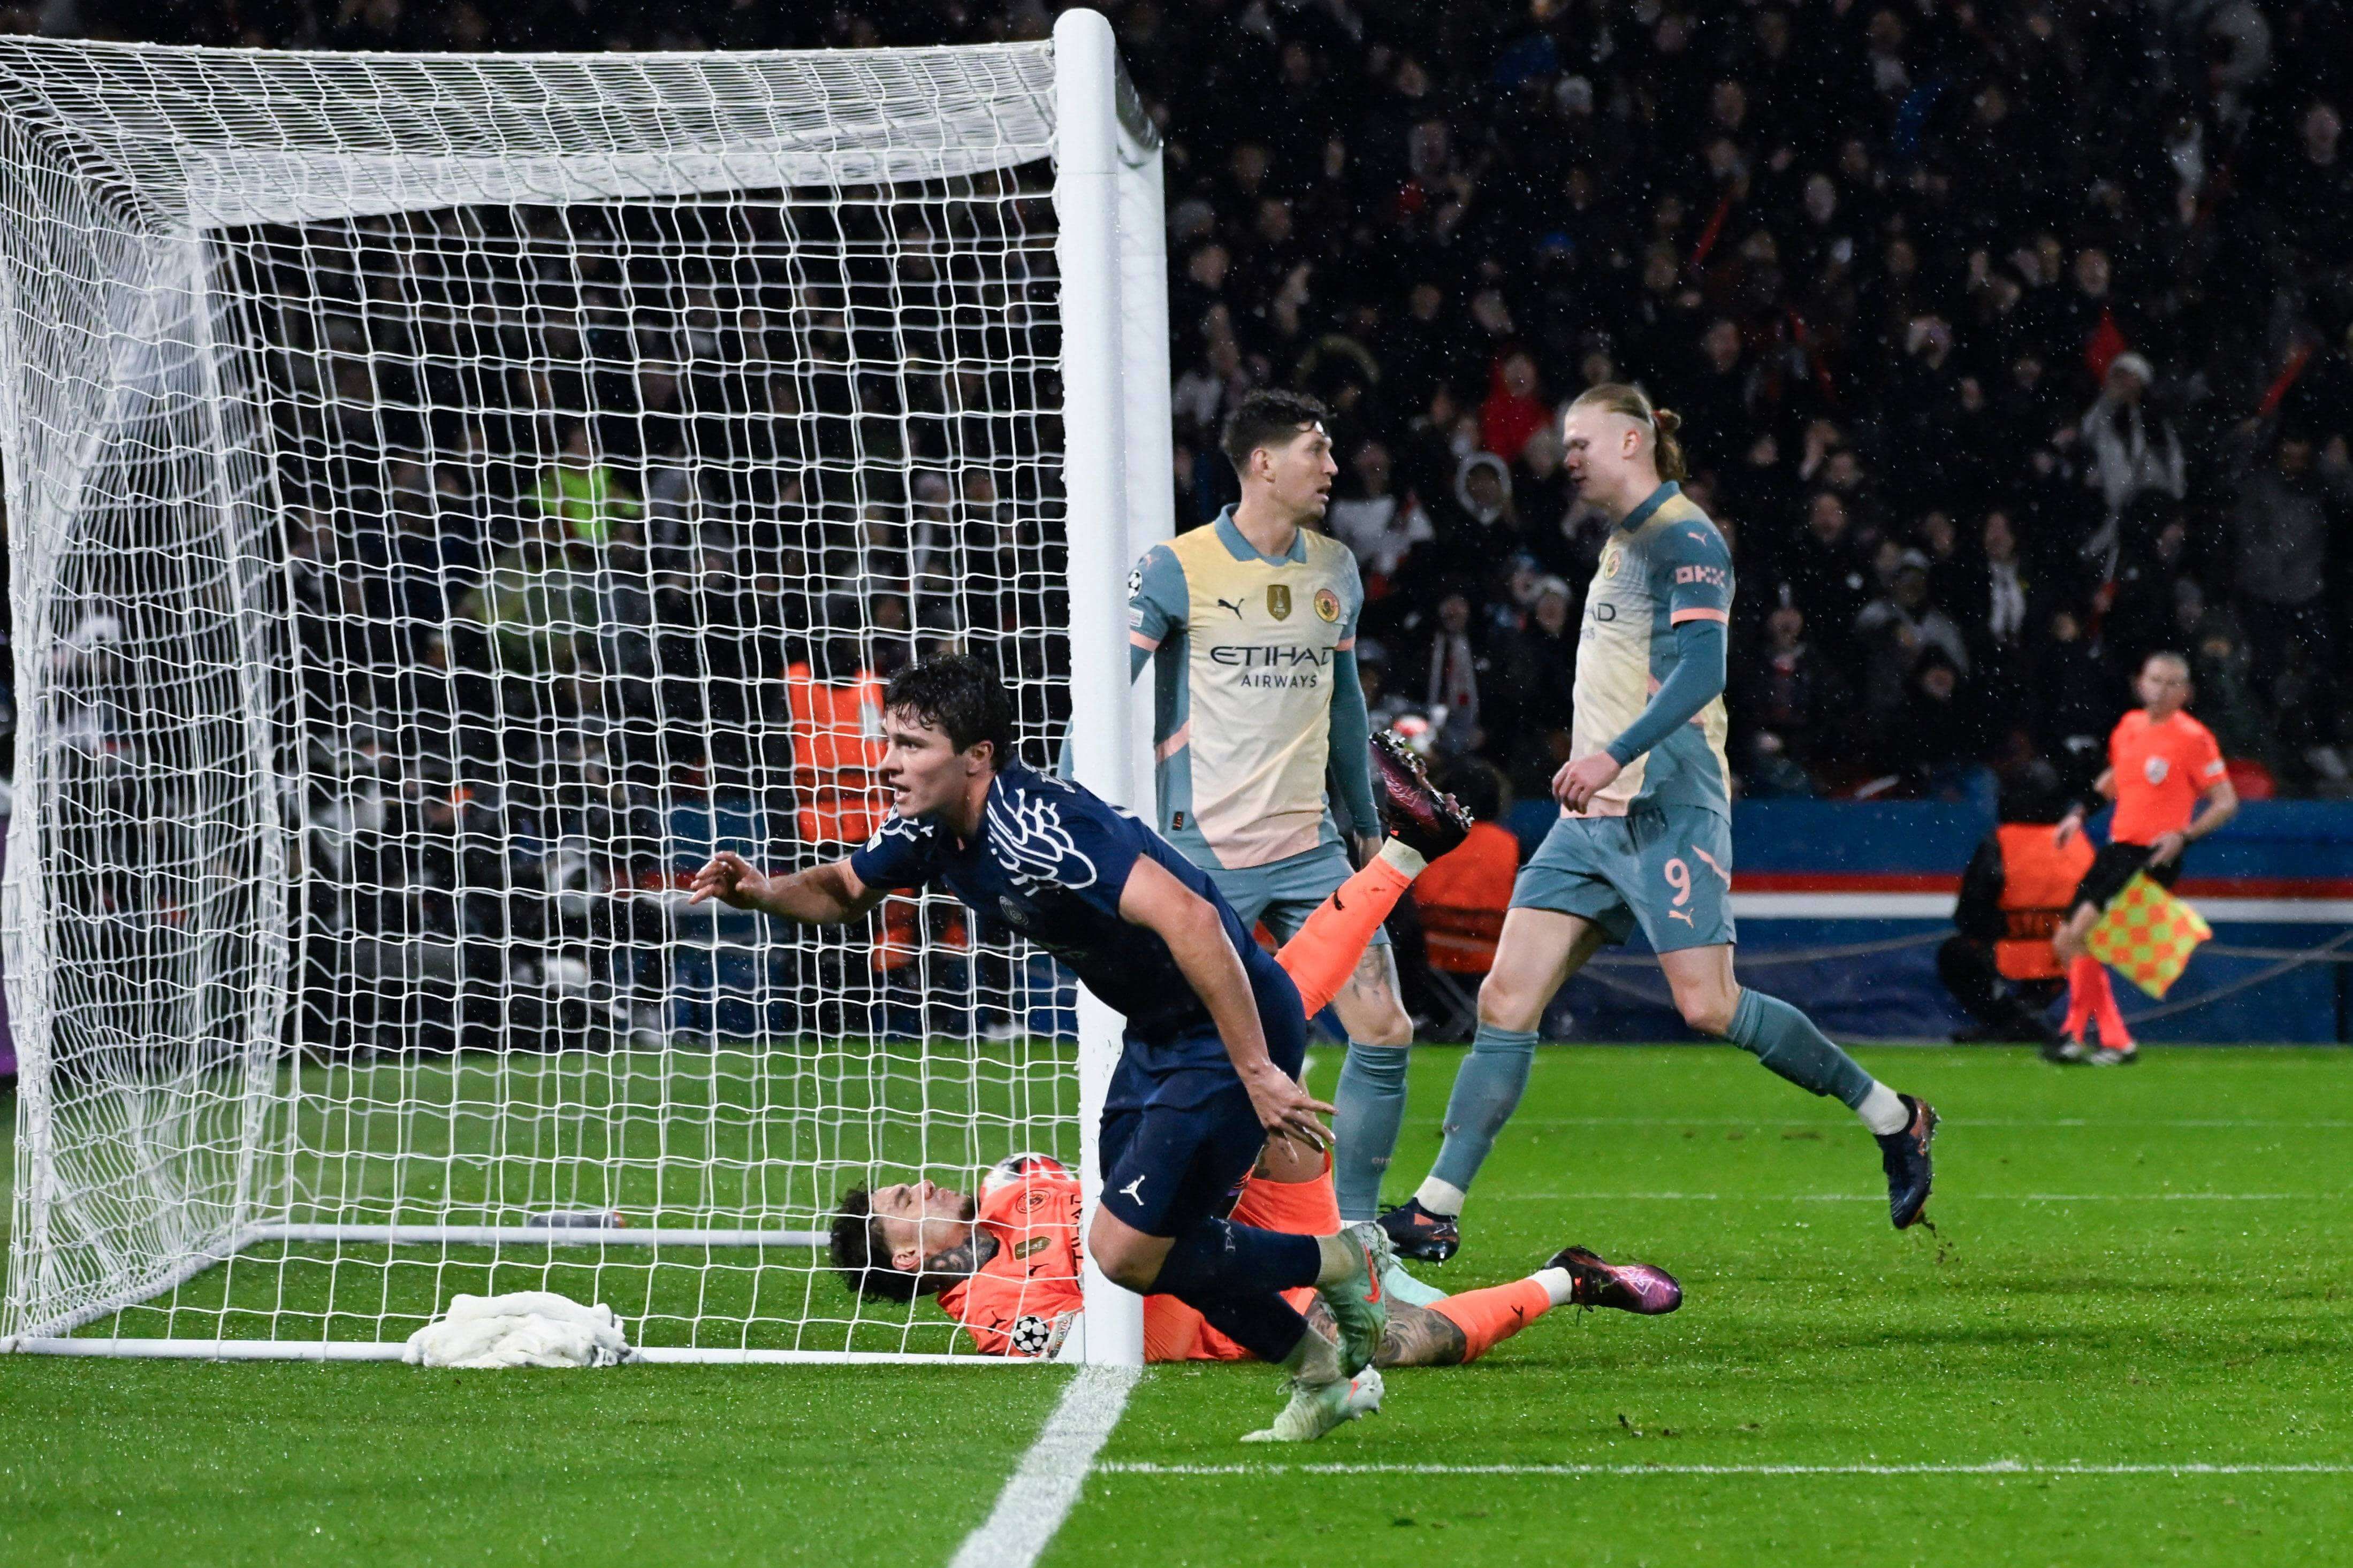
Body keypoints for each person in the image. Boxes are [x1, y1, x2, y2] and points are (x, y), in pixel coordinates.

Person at [691, 656, 1408, 1443]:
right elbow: (842, 889)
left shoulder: (1042, 828)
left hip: (1219, 1026)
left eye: (911, 744)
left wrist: (1257, 1070)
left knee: (1124, 1251)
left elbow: (1196, 921)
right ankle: (1322, 1372)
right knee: (1156, 1246)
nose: (889, 761)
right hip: (1158, 1034)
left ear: (978, 756)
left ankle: (1340, 1261)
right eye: (889, 739)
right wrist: (761, 889)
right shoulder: (929, 828)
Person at [1373, 385, 1941, 1266]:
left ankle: (1894, 1118)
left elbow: (1699, 674)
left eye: (1580, 440)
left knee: (1707, 1006)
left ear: (1632, 441)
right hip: (1589, 820)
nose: (1565, 455)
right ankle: (1435, 1209)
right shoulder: (1623, 539)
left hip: (1667, 801)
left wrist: (1608, 754)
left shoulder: (1686, 540)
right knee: (1503, 997)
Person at [1124, 390, 1430, 1257]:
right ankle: (1168, 1215)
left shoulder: (1335, 568)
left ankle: (1359, 1228)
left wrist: (1364, 816)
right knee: (1192, 1048)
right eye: (1316, 450)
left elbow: (1345, 705)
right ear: (1262, 462)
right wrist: (1078, 806)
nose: (1333, 468)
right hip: (1200, 855)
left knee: (1384, 1026)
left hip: (1311, 851)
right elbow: (1109, 689)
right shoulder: (1176, 568)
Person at [833, 1139, 1678, 1373]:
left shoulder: (1016, 1181)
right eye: (904, 1204)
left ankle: (1375, 1237)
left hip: (1244, 1221)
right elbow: (1096, 1334)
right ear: (908, 1260)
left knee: (1275, 1118)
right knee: (1402, 1344)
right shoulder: (990, 1320)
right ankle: (1570, 1277)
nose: (920, 1185)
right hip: (1240, 1310)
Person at [2048, 652, 2240, 1064]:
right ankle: (2117, 1039)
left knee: (2083, 931)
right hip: (2117, 848)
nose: (2161, 689)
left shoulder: (2193, 737)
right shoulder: (2129, 727)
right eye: (2155, 680)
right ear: (2140, 683)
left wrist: (2183, 835)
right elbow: (2116, 777)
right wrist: (2078, 813)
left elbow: (2225, 801)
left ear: (2186, 692)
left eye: (2172, 683)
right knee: (2066, 940)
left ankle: (2072, 1035)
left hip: (2154, 854)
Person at [1938, 786, 2094, 1046]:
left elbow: (1970, 913)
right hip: (2067, 955)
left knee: (1955, 954)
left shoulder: (2001, 841)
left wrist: (2004, 927)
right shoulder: (2080, 842)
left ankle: (2012, 1021)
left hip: (2009, 951)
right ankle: (2030, 1019)